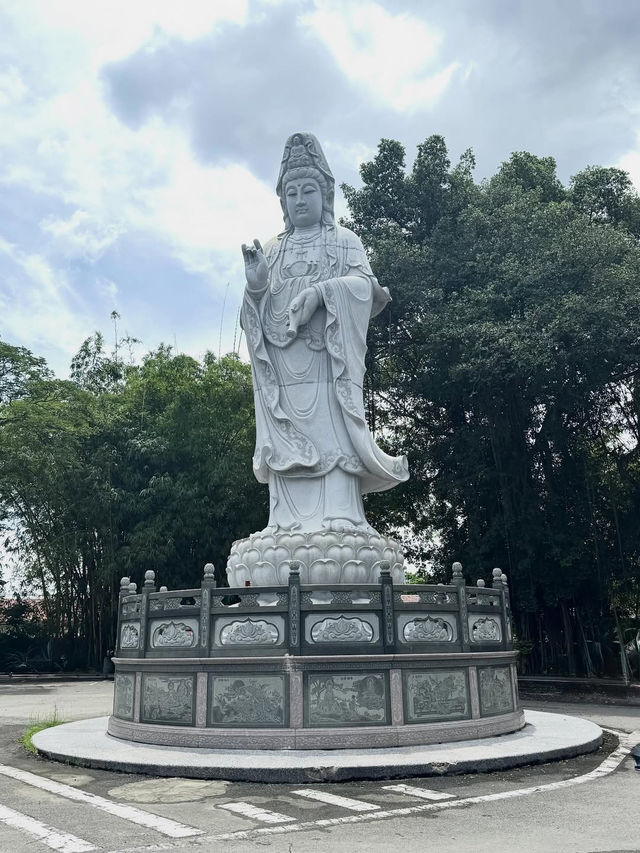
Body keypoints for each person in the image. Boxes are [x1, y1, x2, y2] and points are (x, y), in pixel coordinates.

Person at [241, 132, 408, 535]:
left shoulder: (344, 241)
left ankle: (342, 517)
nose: (300, 200)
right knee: (285, 441)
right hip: (283, 369)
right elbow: (255, 312)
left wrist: (321, 293)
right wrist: (258, 287)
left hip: (329, 364)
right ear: (282, 201)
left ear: (325, 194)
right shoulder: (274, 248)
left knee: (333, 438)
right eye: (292, 193)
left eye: (308, 191)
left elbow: (367, 290)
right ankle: (283, 522)